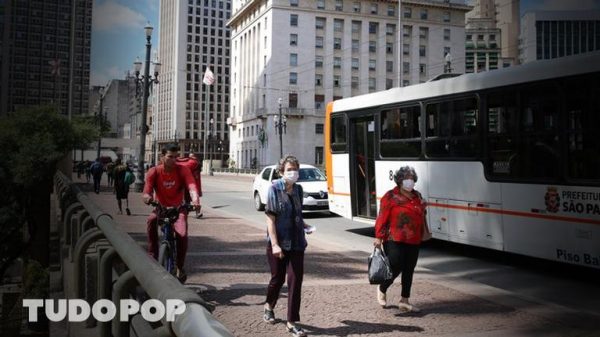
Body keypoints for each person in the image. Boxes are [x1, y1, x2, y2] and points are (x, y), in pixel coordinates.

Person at [262, 155, 312, 337]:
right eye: (289, 169)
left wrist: (305, 226)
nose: (293, 172)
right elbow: (270, 219)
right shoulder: (274, 189)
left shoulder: (298, 189)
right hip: (279, 243)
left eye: (295, 169)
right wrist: (275, 244)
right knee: (278, 279)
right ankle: (269, 305)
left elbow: (297, 213)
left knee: (295, 281)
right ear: (281, 171)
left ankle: (292, 322)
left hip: (297, 242)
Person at [373, 165, 430, 312]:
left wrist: (423, 208)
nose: (410, 182)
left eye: (412, 179)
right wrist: (378, 237)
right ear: (400, 181)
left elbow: (420, 214)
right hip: (394, 237)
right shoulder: (390, 196)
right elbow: (382, 217)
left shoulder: (417, 195)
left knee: (409, 268)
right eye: (406, 179)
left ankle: (404, 300)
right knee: (396, 264)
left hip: (413, 238)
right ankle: (383, 287)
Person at [142, 144, 200, 282]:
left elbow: (192, 185)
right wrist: (147, 198)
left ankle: (180, 266)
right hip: (160, 209)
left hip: (178, 209)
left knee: (182, 233)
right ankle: (153, 256)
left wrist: (195, 201)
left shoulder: (183, 170)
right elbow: (146, 191)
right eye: (170, 157)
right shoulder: (154, 171)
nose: (174, 160)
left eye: (176, 157)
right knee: (151, 220)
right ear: (162, 157)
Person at [176, 152, 203, 218]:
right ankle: (196, 212)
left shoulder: (191, 162)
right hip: (190, 183)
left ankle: (192, 211)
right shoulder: (194, 162)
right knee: (192, 197)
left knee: (189, 198)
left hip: (186, 183)